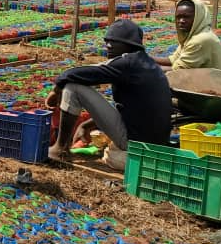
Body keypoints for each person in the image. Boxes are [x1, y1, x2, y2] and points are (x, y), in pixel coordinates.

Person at [46, 19, 172, 170]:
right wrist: (87, 124)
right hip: (151, 142)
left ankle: (60, 149)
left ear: (129, 45)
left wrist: (56, 90)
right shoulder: (144, 63)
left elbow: (73, 74)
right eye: (107, 41)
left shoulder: (127, 64)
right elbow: (131, 108)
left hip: (136, 144)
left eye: (115, 42)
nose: (109, 46)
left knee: (72, 87)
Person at [152, 0, 221, 71]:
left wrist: (145, 69)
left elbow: (178, 70)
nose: (181, 21)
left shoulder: (201, 40)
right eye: (178, 17)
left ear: (198, 17)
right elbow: (174, 59)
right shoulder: (193, 35)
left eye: (186, 17)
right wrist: (145, 58)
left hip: (219, 84)